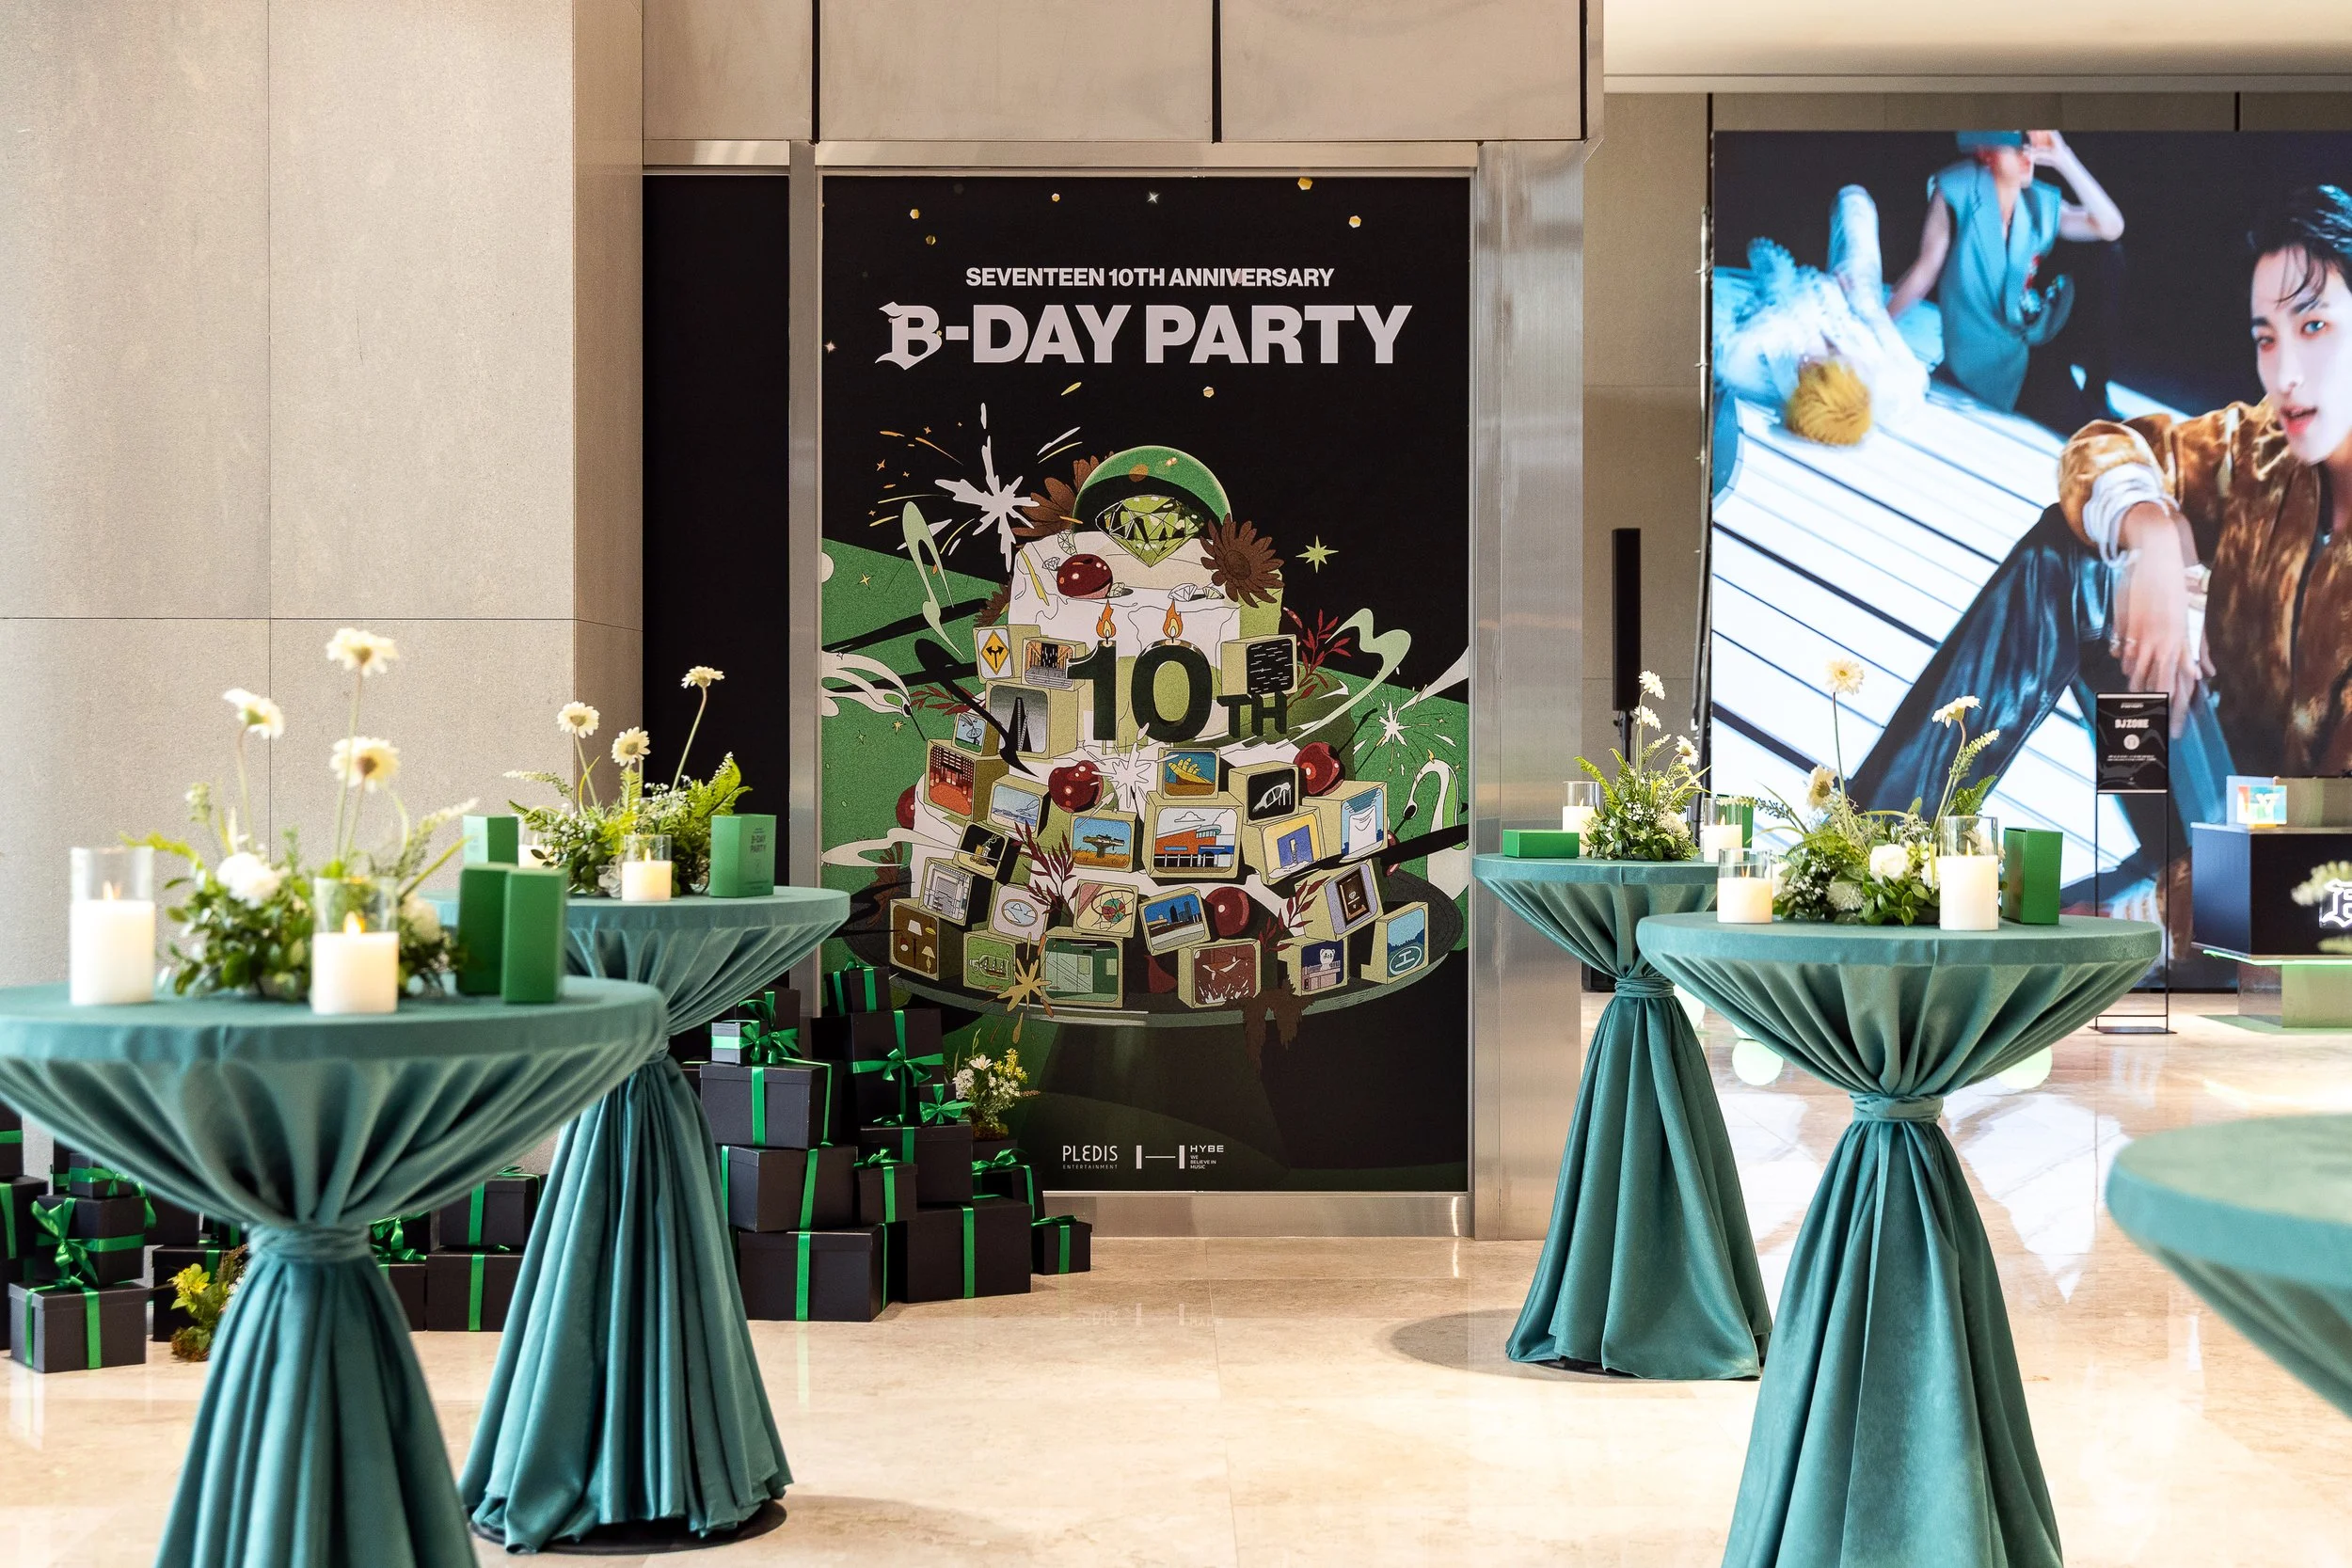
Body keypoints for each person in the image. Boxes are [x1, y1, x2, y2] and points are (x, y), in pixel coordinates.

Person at [1851, 184, 2352, 939]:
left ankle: (2161, 906)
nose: (2284, 375)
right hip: (2193, 804)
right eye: (2266, 338)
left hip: (2296, 901)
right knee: (2079, 557)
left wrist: (2137, 915)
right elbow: (2106, 445)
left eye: (2313, 326)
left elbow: (2333, 877)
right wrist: (2150, 534)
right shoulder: (2263, 450)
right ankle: (1870, 860)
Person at [1887, 130, 2127, 431]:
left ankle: (2096, 391)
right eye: (2014, 147)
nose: (2026, 156)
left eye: (2028, 147)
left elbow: (2111, 227)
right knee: (2092, 428)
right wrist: (1874, 323)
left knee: (2109, 253)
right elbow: (1924, 271)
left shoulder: (2037, 199)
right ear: (1985, 153)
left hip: (2033, 334)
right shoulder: (1957, 189)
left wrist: (2064, 158)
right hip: (1987, 354)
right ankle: (2085, 409)